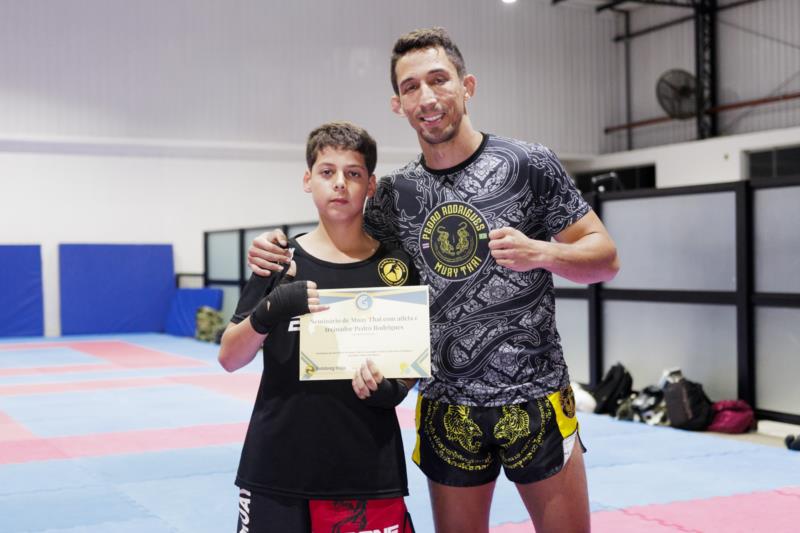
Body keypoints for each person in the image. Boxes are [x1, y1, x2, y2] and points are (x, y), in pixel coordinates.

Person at [247, 28, 619, 533]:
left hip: (536, 395)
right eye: (411, 87)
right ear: (398, 104)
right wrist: (278, 248)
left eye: (439, 80)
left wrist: (542, 252)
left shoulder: (528, 164)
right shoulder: (394, 194)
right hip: (446, 405)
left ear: (467, 86)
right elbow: (346, 254)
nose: (426, 97)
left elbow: (605, 260)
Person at [219, 121, 418, 533]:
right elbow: (229, 357)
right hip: (277, 466)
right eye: (327, 172)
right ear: (308, 180)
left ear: (371, 185)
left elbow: (410, 362)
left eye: (353, 173)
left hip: (366, 465)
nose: (340, 183)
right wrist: (269, 310)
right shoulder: (277, 259)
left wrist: (393, 390)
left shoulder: (395, 267)